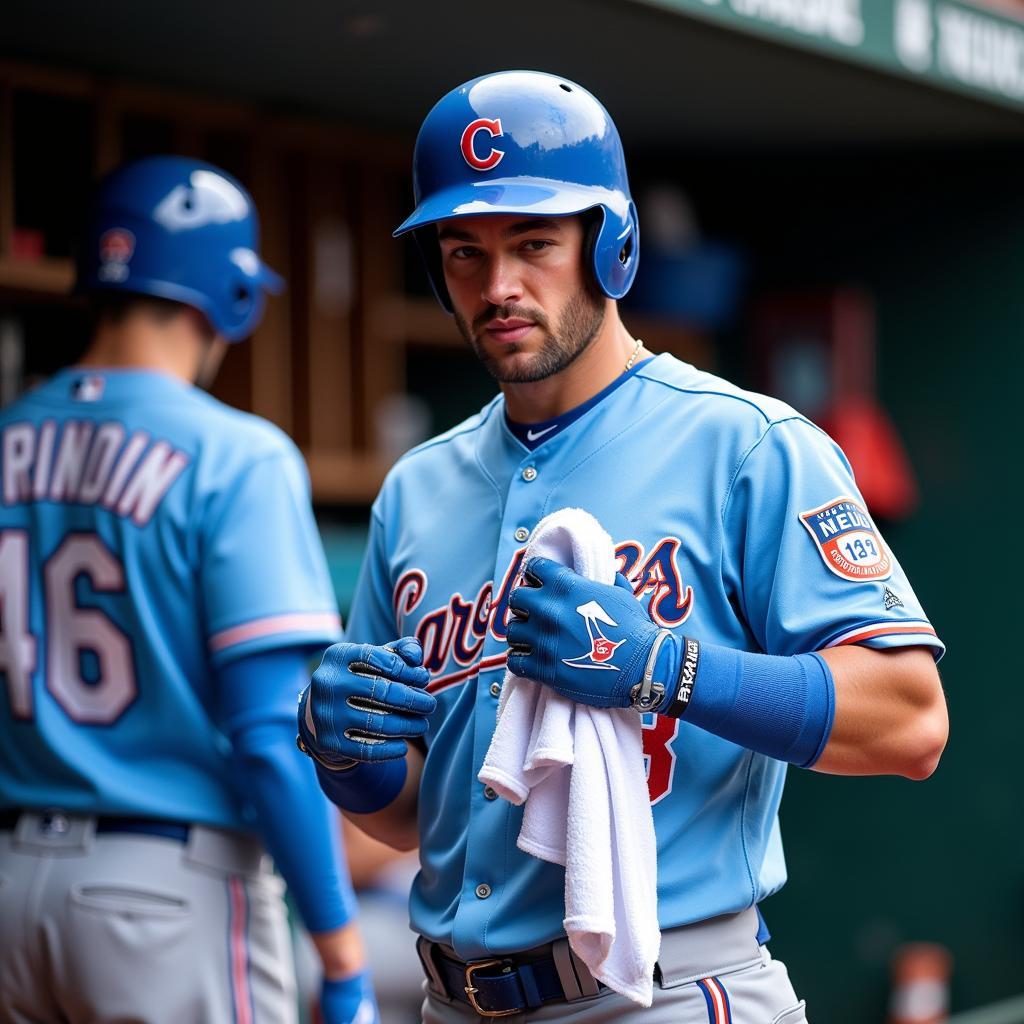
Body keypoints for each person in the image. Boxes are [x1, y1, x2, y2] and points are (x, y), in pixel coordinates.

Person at [297, 71, 948, 1022]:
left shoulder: (749, 446)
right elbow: (405, 819)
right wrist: (347, 756)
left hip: (666, 991)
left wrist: (665, 669)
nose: (499, 286)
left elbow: (911, 720)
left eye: (534, 243)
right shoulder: (417, 488)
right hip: (449, 997)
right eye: (464, 252)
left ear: (612, 245)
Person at [0, 155, 378, 1024]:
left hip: (12, 883)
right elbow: (270, 737)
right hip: (162, 895)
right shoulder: (236, 455)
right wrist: (339, 946)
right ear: (230, 297)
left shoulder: (9, 434)